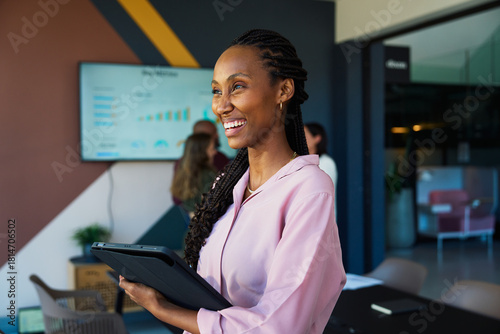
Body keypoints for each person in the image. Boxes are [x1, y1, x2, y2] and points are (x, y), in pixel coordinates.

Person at [120, 28, 346, 334]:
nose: (221, 106)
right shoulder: (226, 186)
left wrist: (163, 309)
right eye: (216, 91)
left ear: (284, 91)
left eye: (237, 87)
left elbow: (280, 326)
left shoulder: (309, 189)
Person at [170, 133, 217, 217]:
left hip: (194, 220)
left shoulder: (183, 171)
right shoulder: (207, 175)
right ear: (202, 152)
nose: (215, 152)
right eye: (212, 149)